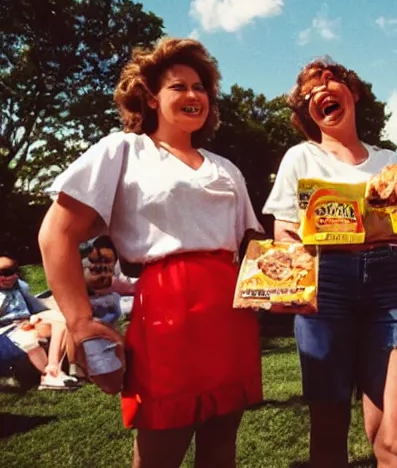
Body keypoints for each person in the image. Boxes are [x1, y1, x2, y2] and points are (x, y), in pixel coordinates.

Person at [38, 37, 263, 467]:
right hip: (166, 312)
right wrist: (80, 321)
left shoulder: (226, 168)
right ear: (151, 97)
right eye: (178, 86)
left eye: (200, 87)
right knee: (161, 448)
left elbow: (252, 249)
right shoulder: (121, 151)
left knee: (221, 448)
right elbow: (56, 235)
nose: (193, 95)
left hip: (230, 315)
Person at [263, 57, 397, 468]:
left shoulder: (391, 159)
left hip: (390, 287)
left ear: (352, 92)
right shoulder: (299, 159)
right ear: (307, 111)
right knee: (328, 439)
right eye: (309, 92)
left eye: (330, 80)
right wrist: (289, 286)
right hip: (325, 289)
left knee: (395, 443)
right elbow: (284, 234)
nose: (321, 90)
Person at [0, 255, 78, 390]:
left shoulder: (18, 287)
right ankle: (49, 375)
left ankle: (53, 370)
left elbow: (37, 307)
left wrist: (36, 318)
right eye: (6, 273)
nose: (12, 277)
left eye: (14, 271)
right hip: (5, 332)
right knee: (30, 337)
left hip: (24, 322)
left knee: (61, 321)